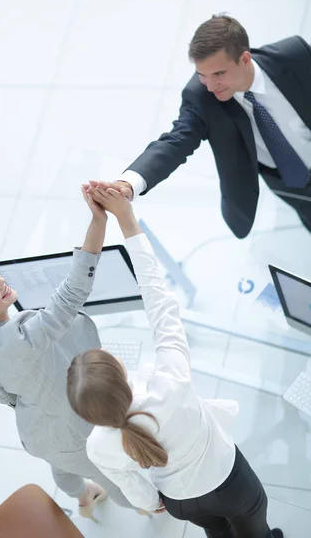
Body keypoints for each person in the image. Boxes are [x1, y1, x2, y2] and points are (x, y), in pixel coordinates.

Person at [67, 187, 284, 538]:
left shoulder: (97, 446)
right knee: (255, 529)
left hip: (182, 501)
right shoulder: (169, 380)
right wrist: (126, 219)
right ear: (121, 373)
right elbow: (160, 302)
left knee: (217, 533)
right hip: (230, 481)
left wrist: (155, 503)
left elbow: (138, 492)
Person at [0, 188, 131, 519]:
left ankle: (81, 496)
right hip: (74, 433)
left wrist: (33, 393)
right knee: (112, 475)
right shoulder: (25, 339)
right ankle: (143, 504)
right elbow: (73, 291)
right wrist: (98, 221)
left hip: (35, 432)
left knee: (62, 463)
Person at [86, 14, 311, 239]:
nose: (212, 86)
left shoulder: (294, 56)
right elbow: (175, 143)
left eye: (219, 74)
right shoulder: (201, 97)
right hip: (293, 185)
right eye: (203, 76)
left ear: (244, 59)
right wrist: (128, 184)